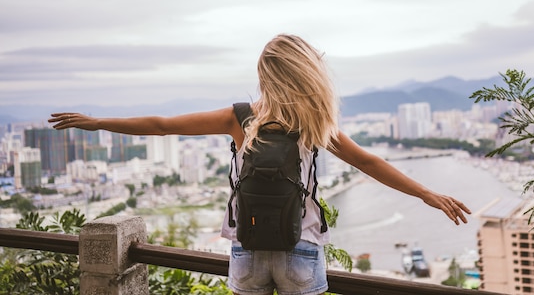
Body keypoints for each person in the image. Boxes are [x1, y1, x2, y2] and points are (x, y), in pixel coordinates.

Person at [49, 33, 471, 295]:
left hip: (246, 249)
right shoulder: (314, 123)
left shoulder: (240, 117)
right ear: (307, 74)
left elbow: (162, 126)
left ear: (265, 75)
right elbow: (370, 163)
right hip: (300, 250)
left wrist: (98, 122)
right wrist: (428, 194)